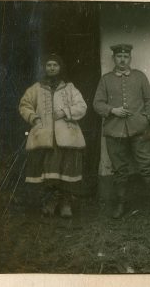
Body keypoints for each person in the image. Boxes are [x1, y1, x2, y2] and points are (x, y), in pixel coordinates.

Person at [93, 44, 150, 219]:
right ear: (114, 58)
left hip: (139, 129)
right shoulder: (106, 79)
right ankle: (120, 203)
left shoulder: (140, 76)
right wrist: (113, 110)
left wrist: (146, 120)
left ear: (130, 58)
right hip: (114, 131)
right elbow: (97, 103)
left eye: (125, 56)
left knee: (147, 165)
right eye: (119, 56)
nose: (122, 59)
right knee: (120, 169)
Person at [19, 53, 87, 218]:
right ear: (45, 68)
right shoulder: (36, 88)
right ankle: (50, 202)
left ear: (60, 68)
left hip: (67, 137)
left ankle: (65, 204)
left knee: (67, 170)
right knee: (49, 171)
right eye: (49, 65)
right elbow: (24, 104)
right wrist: (34, 118)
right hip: (45, 138)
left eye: (55, 65)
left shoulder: (69, 88)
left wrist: (65, 112)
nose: (51, 68)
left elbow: (82, 106)